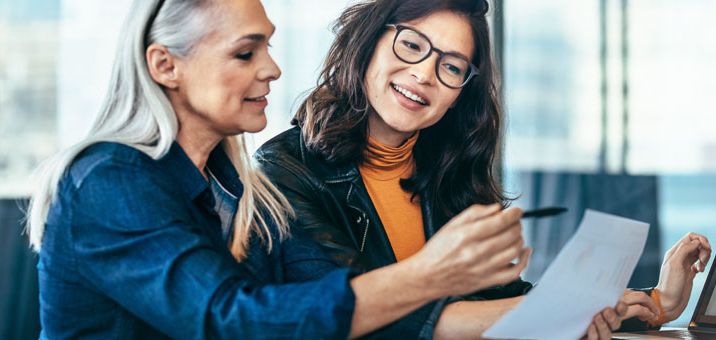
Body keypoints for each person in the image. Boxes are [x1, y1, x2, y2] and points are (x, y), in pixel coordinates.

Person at [26, 0, 536, 338]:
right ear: (165, 66)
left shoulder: (238, 188)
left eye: (267, 47)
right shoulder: (110, 180)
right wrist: (429, 273)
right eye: (246, 52)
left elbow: (321, 303)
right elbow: (233, 321)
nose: (272, 68)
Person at [254, 0, 714, 339]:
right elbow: (361, 316)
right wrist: (563, 313)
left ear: (461, 92)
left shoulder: (449, 170)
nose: (423, 74)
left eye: (451, 66)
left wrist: (657, 302)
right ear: (368, 43)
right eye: (411, 44)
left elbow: (499, 301)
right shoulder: (283, 171)